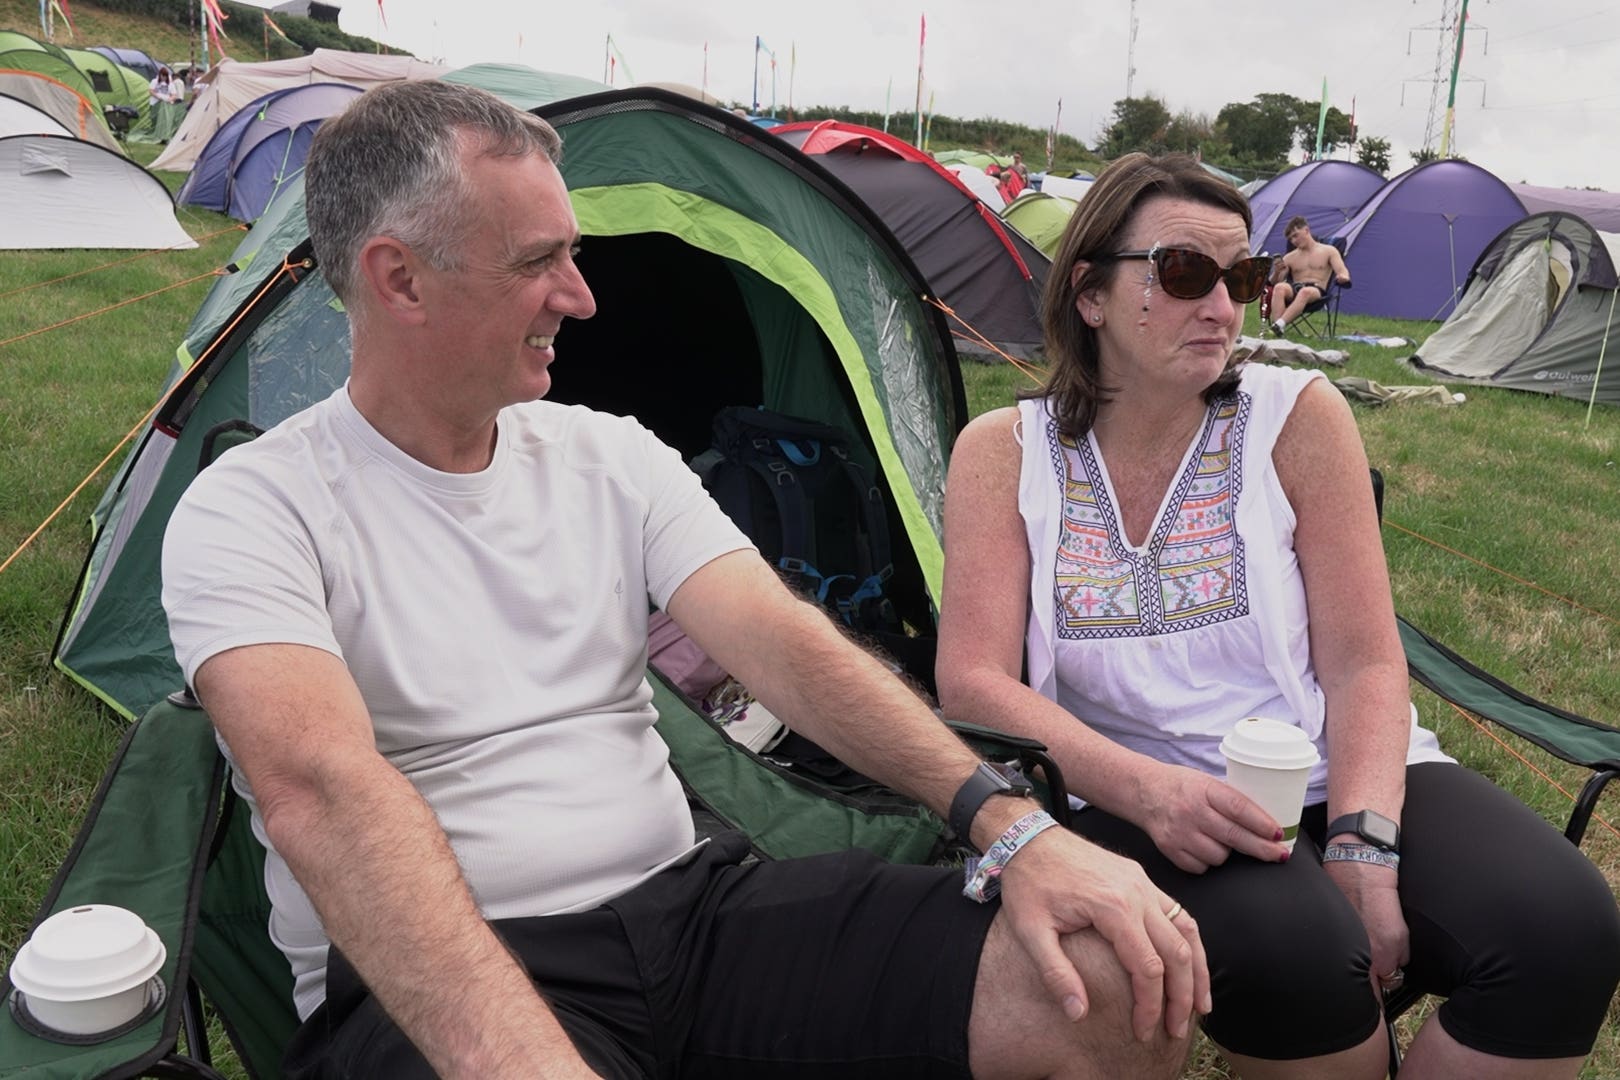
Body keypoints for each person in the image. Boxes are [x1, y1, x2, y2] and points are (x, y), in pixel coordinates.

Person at [160, 81, 1208, 1079]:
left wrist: (1006, 823)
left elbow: (782, 645)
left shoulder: (609, 456)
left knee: (1108, 980)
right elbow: (324, 795)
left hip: (692, 921)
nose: (580, 294)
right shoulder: (256, 509)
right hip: (435, 977)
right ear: (399, 279)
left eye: (573, 252)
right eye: (540, 261)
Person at [936, 150, 1620, 1080]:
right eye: (1183, 274)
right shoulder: (1002, 454)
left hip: (1330, 765)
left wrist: (1362, 842)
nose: (1223, 307)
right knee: (1302, 960)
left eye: (1244, 276)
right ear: (1090, 293)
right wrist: (1144, 790)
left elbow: (1364, 665)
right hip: (1134, 789)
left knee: (1564, 925)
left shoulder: (1294, 415)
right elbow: (973, 679)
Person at [1267, 215, 1349, 335]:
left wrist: (1343, 277)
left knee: (1305, 292)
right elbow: (1274, 282)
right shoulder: (1289, 257)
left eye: (1296, 235)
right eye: (1291, 239)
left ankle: (1279, 324)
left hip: (1317, 291)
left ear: (1306, 230)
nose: (1294, 241)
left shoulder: (1329, 251)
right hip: (1295, 288)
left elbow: (1342, 271)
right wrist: (1277, 272)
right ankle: (1277, 329)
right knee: (1280, 288)